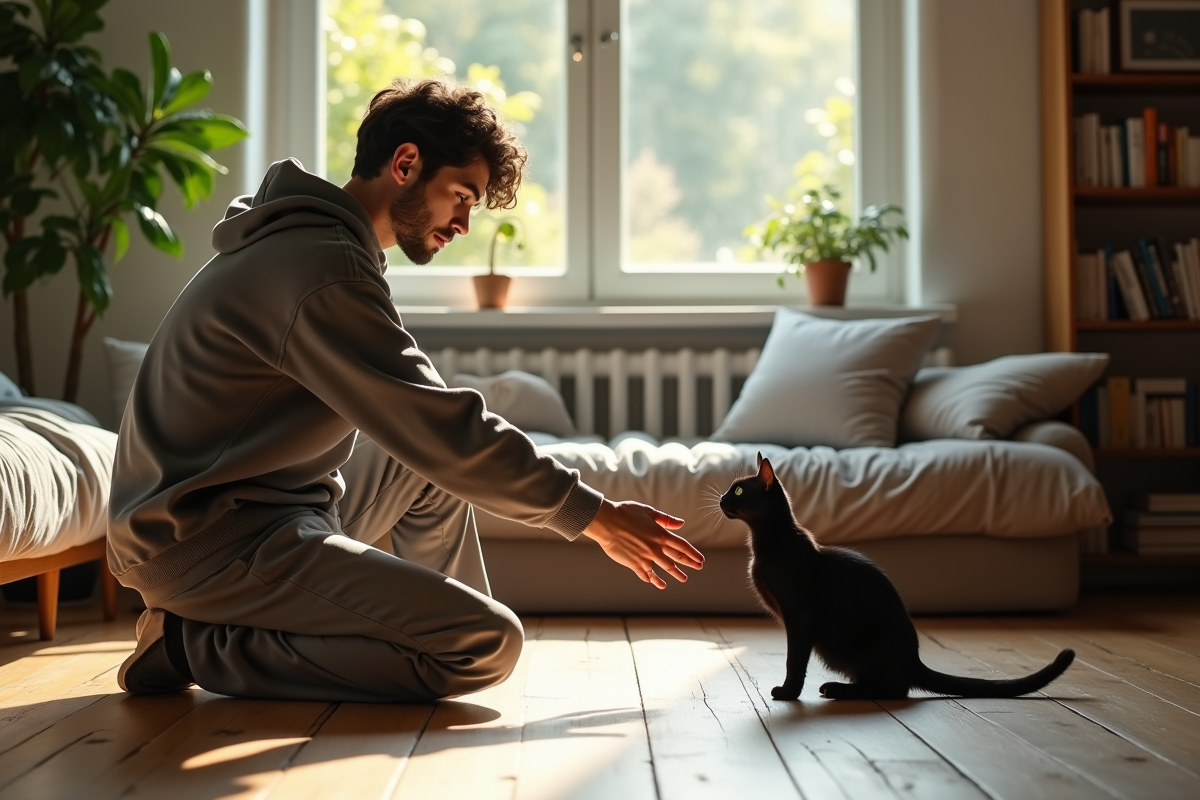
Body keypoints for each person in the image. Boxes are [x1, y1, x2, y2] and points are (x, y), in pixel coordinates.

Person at [110, 77, 704, 702]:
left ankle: (422, 633)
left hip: (266, 514)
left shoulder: (323, 249)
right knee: (486, 646)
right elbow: (440, 425)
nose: (465, 223)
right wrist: (595, 517)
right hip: (207, 543)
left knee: (419, 471)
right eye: (461, 196)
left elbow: (424, 439)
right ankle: (191, 643)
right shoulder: (318, 267)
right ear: (406, 162)